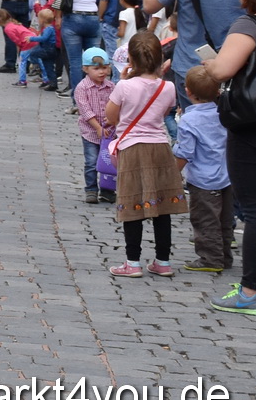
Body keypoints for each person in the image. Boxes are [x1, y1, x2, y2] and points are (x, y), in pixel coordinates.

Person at [103, 30, 185, 277]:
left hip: (132, 148)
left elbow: (111, 116)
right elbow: (165, 112)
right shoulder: (168, 87)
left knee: (132, 204)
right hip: (160, 147)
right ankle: (163, 261)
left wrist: (122, 79)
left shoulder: (125, 86)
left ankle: (133, 262)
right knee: (162, 207)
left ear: (131, 60)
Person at [203, 0, 256, 312]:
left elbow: (223, 68)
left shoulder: (249, 24)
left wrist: (209, 62)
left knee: (254, 209)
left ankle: (251, 291)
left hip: (251, 127)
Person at [174, 64, 234, 273]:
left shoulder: (190, 120)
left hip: (203, 180)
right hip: (227, 176)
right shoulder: (225, 112)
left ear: (188, 91)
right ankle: (225, 255)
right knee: (225, 220)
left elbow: (185, 152)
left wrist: (173, 174)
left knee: (205, 219)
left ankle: (211, 258)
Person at [46, 0, 103, 98]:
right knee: (93, 60)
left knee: (75, 62)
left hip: (73, 18)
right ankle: (94, 96)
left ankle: (78, 100)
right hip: (92, 16)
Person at [74, 49, 116, 203]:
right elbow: (85, 111)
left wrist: (112, 122)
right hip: (90, 132)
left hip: (110, 132)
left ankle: (108, 189)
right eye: (96, 68)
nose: (101, 72)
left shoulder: (111, 86)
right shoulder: (82, 88)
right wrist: (98, 128)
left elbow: (117, 105)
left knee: (109, 162)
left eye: (104, 68)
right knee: (91, 162)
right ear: (86, 69)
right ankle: (91, 189)